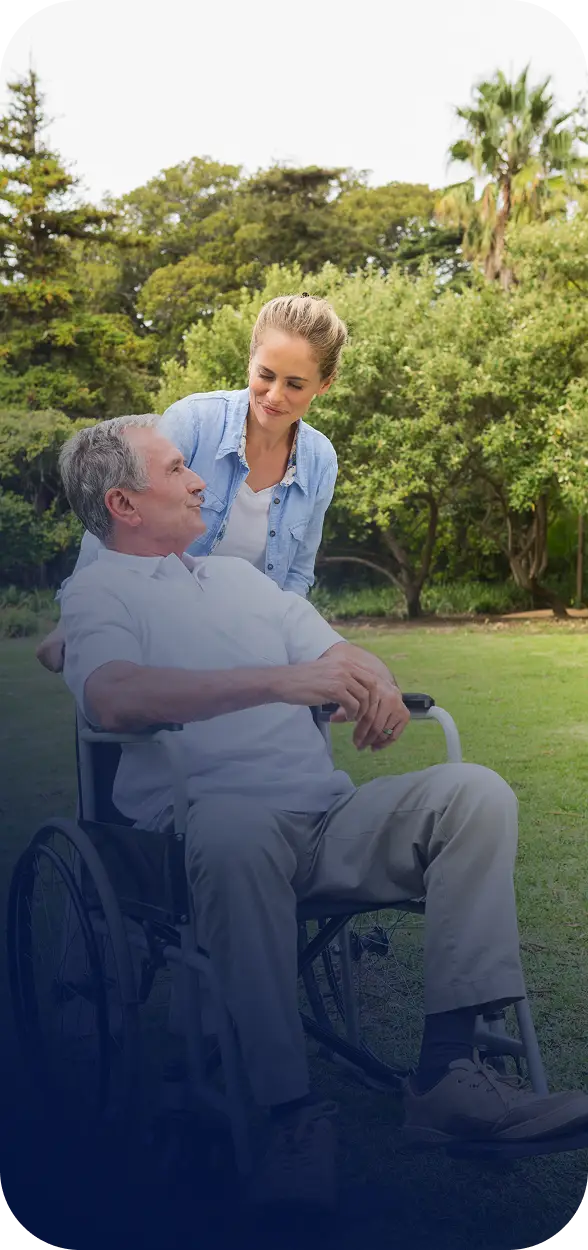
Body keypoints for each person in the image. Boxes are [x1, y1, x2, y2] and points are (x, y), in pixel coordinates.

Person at [58, 414, 588, 1211]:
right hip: (215, 837)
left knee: (474, 791)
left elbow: (338, 653)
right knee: (234, 829)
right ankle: (289, 1115)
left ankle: (449, 1076)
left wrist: (373, 682)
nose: (200, 480)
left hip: (327, 822)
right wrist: (279, 682)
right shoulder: (97, 594)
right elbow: (113, 696)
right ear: (123, 505)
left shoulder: (240, 582)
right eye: (175, 470)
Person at [36, 293, 346, 674]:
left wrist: (288, 639)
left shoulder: (320, 460)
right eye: (265, 375)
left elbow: (297, 572)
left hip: (247, 639)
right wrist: (74, 617)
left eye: (295, 384)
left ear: (324, 384)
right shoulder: (195, 421)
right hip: (162, 626)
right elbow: (117, 517)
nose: (274, 395)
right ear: (250, 361)